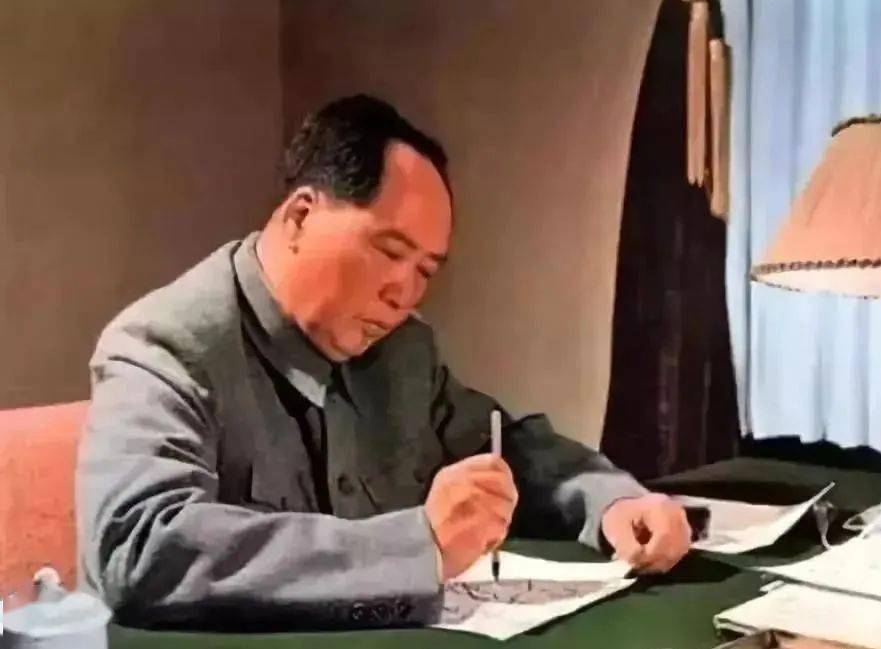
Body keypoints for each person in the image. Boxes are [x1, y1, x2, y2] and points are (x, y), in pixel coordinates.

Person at [76, 95, 692, 631]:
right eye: (389, 252)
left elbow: (504, 448)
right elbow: (141, 546)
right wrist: (415, 546)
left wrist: (611, 502)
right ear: (300, 217)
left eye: (425, 271)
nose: (404, 294)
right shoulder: (165, 345)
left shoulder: (403, 351)